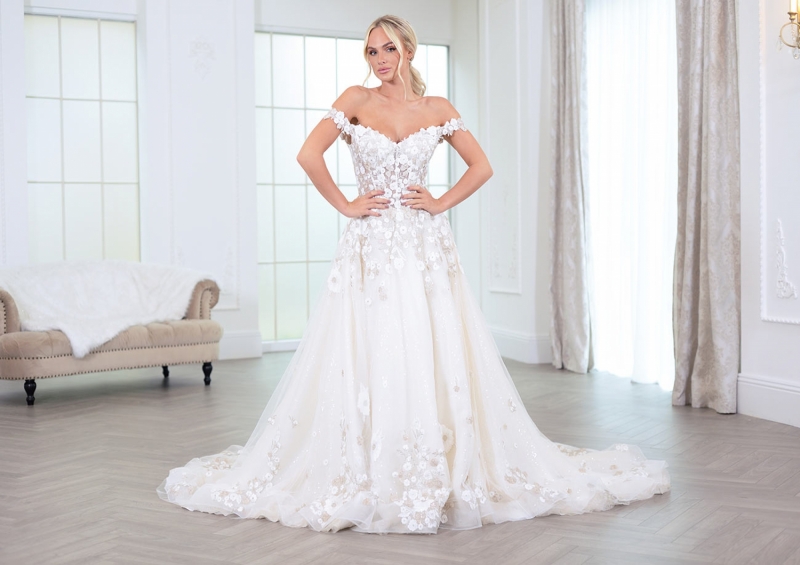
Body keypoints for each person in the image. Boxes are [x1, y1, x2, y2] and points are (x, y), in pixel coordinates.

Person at [158, 14, 669, 534]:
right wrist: (347, 205)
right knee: (371, 345)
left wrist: (440, 201)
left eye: (388, 48)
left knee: (429, 345)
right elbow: (308, 155)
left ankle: (435, 456)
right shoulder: (355, 100)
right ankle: (369, 461)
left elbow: (482, 166)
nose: (379, 59)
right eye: (371, 51)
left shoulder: (437, 109)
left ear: (408, 50)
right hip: (372, 246)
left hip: (425, 247)